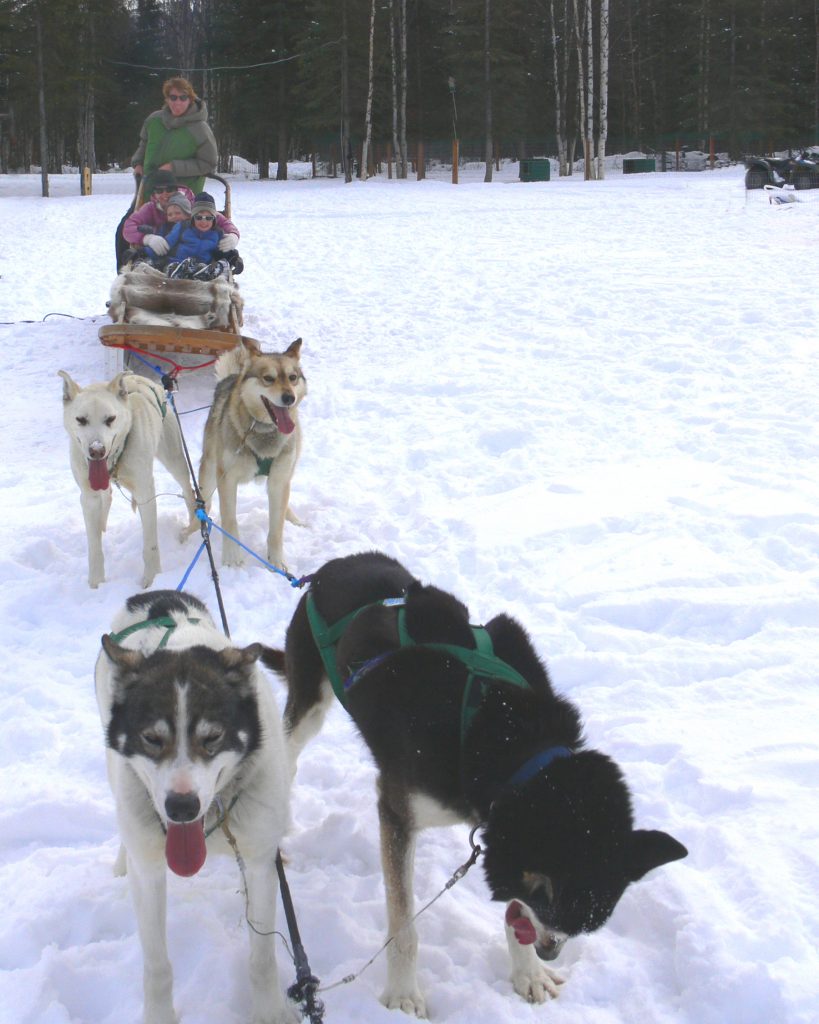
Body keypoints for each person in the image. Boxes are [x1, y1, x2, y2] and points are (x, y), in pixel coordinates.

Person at [120, 172, 240, 268]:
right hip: (167, 256)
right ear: (154, 194)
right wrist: (147, 238)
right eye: (159, 191)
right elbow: (128, 227)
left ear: (176, 189)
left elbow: (223, 221)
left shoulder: (194, 206)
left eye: (169, 189)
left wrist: (233, 235)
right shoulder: (151, 208)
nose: (165, 194)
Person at [131, 77, 217, 196]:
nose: (177, 102)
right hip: (149, 189)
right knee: (136, 215)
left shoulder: (200, 129)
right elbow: (144, 144)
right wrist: (138, 163)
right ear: (167, 99)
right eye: (173, 97)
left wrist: (173, 167)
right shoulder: (154, 120)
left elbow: (208, 163)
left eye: (183, 98)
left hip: (183, 196)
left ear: (190, 99)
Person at [166, 193, 243, 280]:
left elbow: (222, 253)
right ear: (193, 217)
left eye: (208, 218)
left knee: (220, 264)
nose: (203, 222)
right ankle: (181, 271)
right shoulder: (182, 227)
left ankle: (204, 273)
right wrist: (149, 251)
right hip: (178, 263)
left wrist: (234, 258)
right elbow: (166, 244)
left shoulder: (217, 234)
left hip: (202, 267)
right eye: (199, 218)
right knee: (177, 266)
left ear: (214, 219)